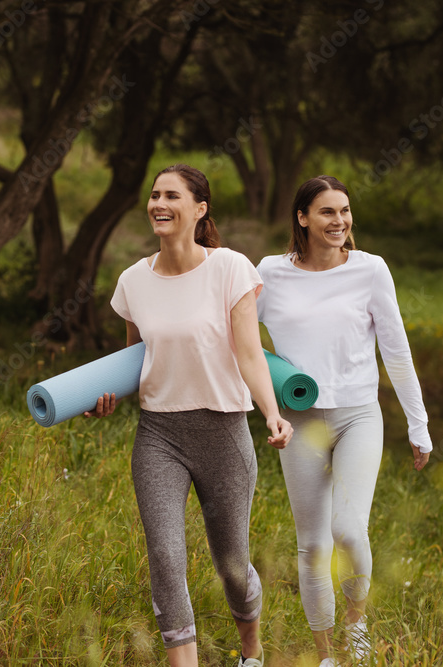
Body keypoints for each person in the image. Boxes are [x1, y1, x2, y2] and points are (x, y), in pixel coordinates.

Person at [86, 164, 293, 667]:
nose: (158, 203)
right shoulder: (133, 281)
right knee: (165, 557)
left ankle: (252, 652)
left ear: (199, 210)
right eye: (154, 194)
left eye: (171, 195)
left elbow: (249, 352)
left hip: (224, 432)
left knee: (232, 565)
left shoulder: (230, 268)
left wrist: (272, 414)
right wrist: (99, 397)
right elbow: (133, 362)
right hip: (159, 434)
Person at [255, 175, 432, 666]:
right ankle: (327, 656)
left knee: (349, 529)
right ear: (302, 218)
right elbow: (240, 340)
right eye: (328, 212)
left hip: (358, 415)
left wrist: (418, 425)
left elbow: (396, 352)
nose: (340, 221)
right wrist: (268, 405)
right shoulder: (269, 272)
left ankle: (357, 622)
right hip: (297, 419)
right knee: (312, 547)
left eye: (345, 211)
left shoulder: (371, 271)